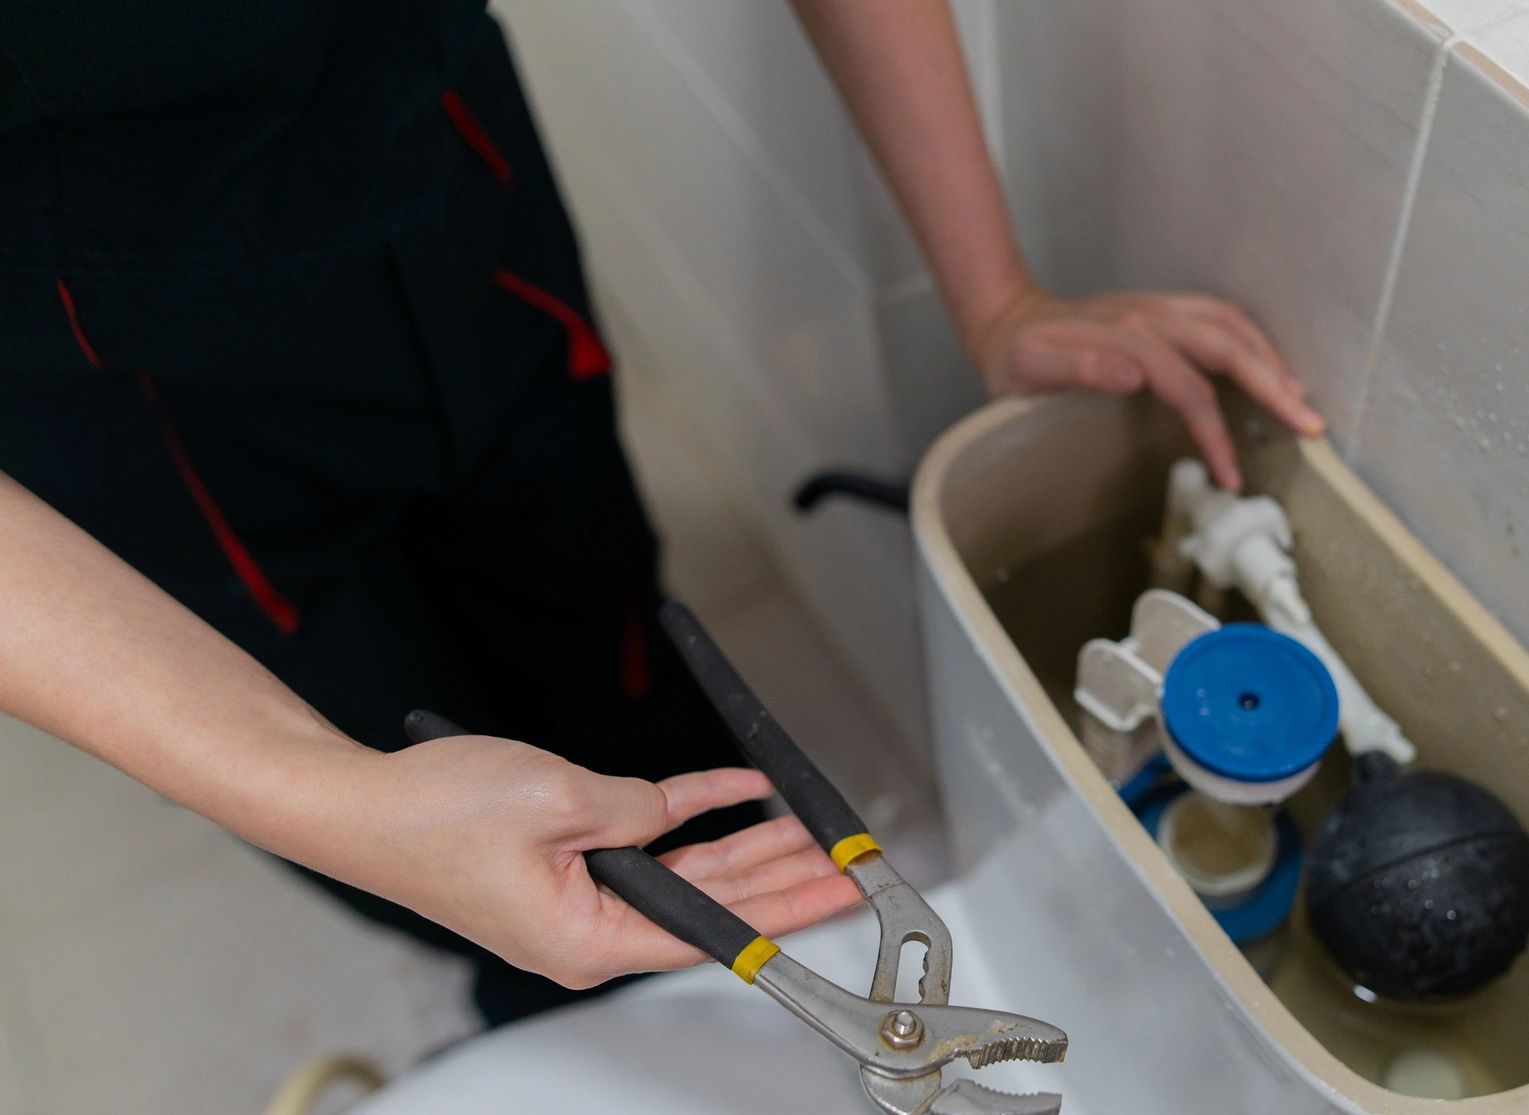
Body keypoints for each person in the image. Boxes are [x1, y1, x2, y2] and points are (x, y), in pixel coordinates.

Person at [0, 0, 1322, 1024]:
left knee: (605, 636)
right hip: (101, 375)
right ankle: (527, 1002)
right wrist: (333, 802)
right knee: (393, 774)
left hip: (444, 179)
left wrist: (996, 295)